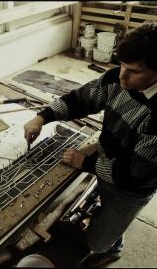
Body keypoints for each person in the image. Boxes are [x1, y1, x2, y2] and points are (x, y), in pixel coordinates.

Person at [24, 22, 157, 268]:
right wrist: (41, 117)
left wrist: (87, 163)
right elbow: (82, 99)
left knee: (100, 239)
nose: (122, 76)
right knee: (107, 205)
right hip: (108, 163)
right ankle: (112, 230)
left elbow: (134, 174)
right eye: (122, 65)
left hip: (131, 189)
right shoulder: (117, 78)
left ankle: (111, 250)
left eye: (134, 71)